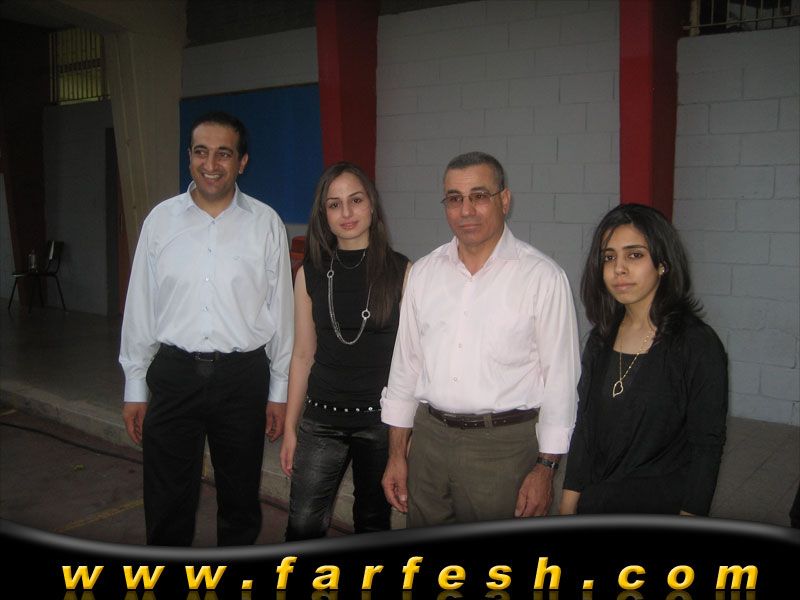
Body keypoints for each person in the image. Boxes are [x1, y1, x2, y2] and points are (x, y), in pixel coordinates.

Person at [119, 111, 294, 546]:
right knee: (167, 503)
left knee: (240, 502)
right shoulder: (160, 222)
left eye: (223, 154)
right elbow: (140, 305)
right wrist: (135, 385)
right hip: (174, 375)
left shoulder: (266, 224)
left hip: (242, 379)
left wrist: (279, 391)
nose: (210, 164)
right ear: (189, 157)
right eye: (201, 152)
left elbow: (281, 313)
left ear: (242, 162)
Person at [380, 151, 581, 526]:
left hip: (503, 448)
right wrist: (396, 455)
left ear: (504, 200)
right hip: (429, 441)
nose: (466, 210)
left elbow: (561, 382)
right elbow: (405, 368)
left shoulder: (542, 277)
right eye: (454, 198)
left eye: (479, 196)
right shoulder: (424, 273)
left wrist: (546, 468)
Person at [560, 203, 728, 516]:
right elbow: (585, 430)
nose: (619, 269)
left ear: (662, 264)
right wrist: (568, 505)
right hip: (597, 502)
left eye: (634, 255)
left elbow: (706, 446)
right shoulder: (600, 339)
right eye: (609, 257)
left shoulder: (697, 344)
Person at [280, 162, 410, 541]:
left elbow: (413, 362)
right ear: (324, 214)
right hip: (322, 419)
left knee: (372, 524)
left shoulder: (403, 271)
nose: (347, 212)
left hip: (381, 423)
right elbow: (302, 355)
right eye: (334, 204)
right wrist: (290, 427)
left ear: (372, 205)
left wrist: (405, 439)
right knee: (302, 526)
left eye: (356, 200)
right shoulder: (310, 272)